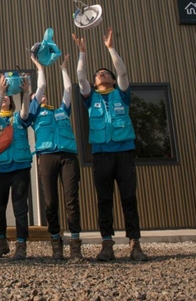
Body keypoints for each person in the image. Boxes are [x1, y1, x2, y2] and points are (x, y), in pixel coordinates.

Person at [72, 27, 148, 262]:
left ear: (113, 80)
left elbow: (123, 72)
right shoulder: (90, 97)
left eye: (106, 73)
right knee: (104, 200)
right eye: (98, 74)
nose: (102, 74)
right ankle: (107, 244)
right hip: (102, 154)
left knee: (129, 197)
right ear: (95, 83)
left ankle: (135, 244)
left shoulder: (122, 94)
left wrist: (111, 48)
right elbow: (81, 77)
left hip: (124, 152)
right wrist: (82, 53)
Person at [29, 53, 82, 260]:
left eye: (41, 95)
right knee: (50, 201)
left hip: (68, 156)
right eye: (36, 95)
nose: (41, 95)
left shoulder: (61, 111)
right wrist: (40, 68)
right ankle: (55, 243)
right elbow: (41, 86)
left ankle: (75, 243)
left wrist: (64, 69)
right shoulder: (34, 113)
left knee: (71, 199)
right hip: (47, 157)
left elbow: (68, 90)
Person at [0, 74, 32, 260]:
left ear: (12, 101)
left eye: (6, 95)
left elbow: (26, 111)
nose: (3, 97)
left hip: (20, 167)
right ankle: (1, 242)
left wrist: (26, 92)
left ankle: (21, 244)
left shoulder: (18, 118)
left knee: (20, 207)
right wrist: (2, 89)